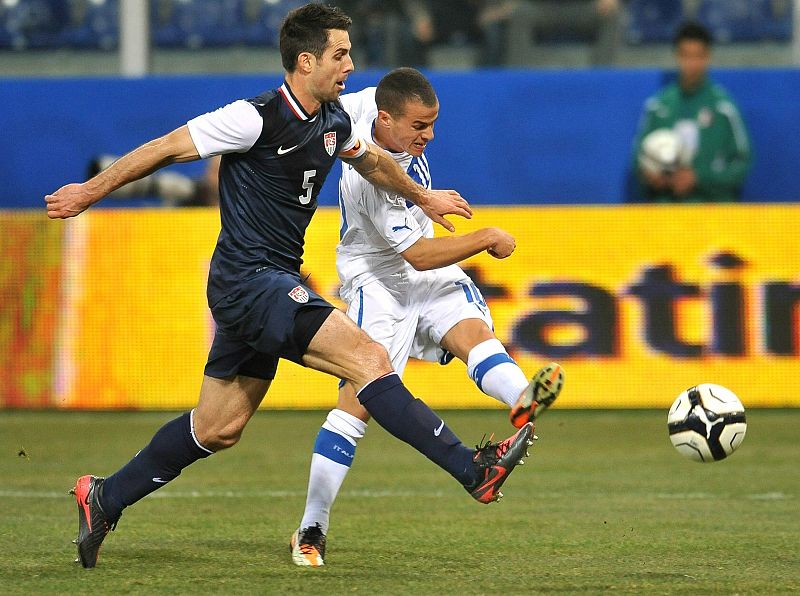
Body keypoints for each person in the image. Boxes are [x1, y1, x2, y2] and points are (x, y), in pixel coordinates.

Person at [45, 3, 535, 569]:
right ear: (307, 61)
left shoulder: (334, 122)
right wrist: (88, 192)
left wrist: (422, 197)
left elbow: (375, 164)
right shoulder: (253, 118)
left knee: (218, 426)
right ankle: (473, 470)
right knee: (370, 359)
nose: (351, 65)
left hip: (266, 283)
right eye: (341, 54)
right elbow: (163, 148)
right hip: (249, 281)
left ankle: (103, 496)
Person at [289, 67, 565, 567]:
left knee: (473, 332)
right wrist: (484, 238)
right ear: (387, 121)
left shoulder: (371, 106)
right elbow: (415, 255)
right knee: (355, 409)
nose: (429, 136)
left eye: (433, 125)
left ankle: (520, 402)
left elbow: (354, 100)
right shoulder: (367, 179)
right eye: (419, 126)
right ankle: (312, 527)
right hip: (380, 282)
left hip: (424, 267)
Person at [633, 21, 752, 203]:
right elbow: (638, 159)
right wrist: (650, 175)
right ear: (677, 56)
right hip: (666, 213)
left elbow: (743, 162)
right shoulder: (659, 106)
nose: (692, 64)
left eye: (698, 56)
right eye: (686, 56)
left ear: (708, 57)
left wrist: (699, 178)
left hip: (714, 213)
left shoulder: (723, 107)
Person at [476, 0, 623, 67]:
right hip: (540, 8)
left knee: (612, 14)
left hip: (581, 8)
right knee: (520, 13)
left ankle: (602, 78)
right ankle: (519, 80)